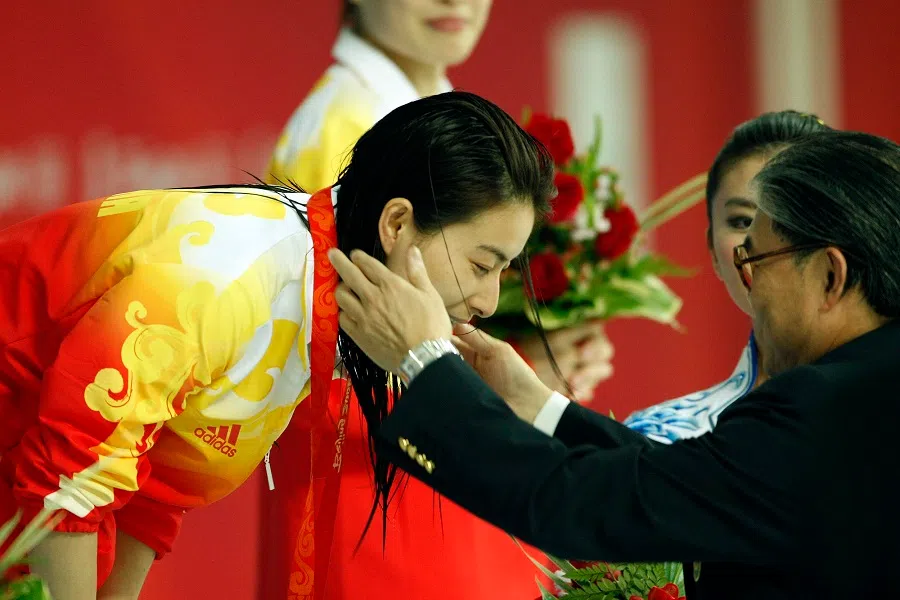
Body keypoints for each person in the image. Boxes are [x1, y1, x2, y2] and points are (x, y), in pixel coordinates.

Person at [0, 91, 555, 600]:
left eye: (504, 270)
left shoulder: (320, 297)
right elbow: (69, 479)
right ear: (397, 223)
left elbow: (152, 491)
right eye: (482, 265)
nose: (487, 300)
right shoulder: (222, 282)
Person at [328, 129, 900, 599]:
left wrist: (424, 360)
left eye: (757, 260)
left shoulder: (826, 411)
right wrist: (535, 404)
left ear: (830, 275)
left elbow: (578, 501)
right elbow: (679, 488)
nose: (750, 289)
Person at [265, 2, 610, 598]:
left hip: (431, 482)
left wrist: (523, 377)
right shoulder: (341, 126)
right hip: (375, 496)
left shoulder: (439, 116)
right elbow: (347, 335)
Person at [623, 110, 831, 442]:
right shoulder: (658, 439)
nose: (762, 241)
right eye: (741, 221)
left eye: (792, 216)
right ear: (712, 250)